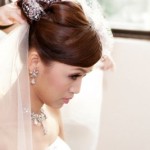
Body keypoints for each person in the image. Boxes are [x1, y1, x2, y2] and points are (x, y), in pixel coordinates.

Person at [0, 0, 103, 150]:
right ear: (34, 63)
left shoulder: (52, 112)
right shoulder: (3, 134)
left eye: (83, 76)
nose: (77, 89)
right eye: (74, 76)